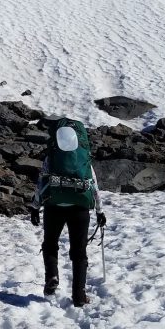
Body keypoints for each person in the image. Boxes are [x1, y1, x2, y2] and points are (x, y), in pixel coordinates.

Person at [28, 118, 107, 307]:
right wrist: (99, 211)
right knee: (79, 252)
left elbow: (42, 182)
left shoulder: (52, 156)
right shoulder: (83, 158)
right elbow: (93, 185)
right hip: (80, 208)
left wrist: (35, 207)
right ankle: (79, 296)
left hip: (54, 206)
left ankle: (52, 276)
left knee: (50, 244)